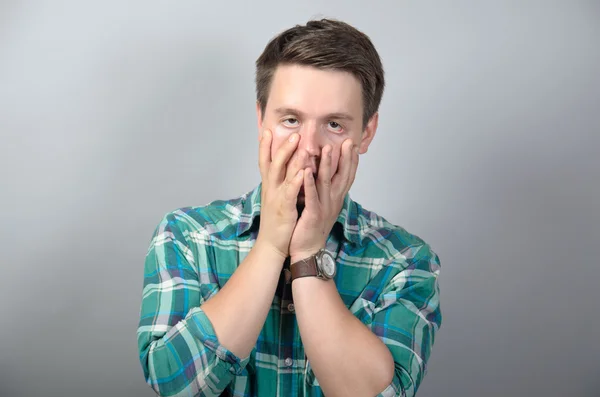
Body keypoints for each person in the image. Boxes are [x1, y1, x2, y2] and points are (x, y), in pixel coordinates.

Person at [137, 18, 441, 397]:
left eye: (334, 124)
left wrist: (310, 253)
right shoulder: (186, 235)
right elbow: (174, 385)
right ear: (261, 118)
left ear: (366, 132)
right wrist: (271, 245)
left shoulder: (406, 261)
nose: (308, 147)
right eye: (291, 119)